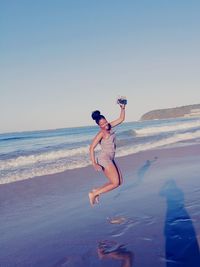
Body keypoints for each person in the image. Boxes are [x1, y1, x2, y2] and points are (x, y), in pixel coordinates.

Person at [89, 101, 126, 206]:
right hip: (104, 158)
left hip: (111, 158)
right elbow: (91, 148)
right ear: (99, 126)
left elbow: (121, 119)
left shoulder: (109, 126)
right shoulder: (101, 133)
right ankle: (94, 194)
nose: (105, 125)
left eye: (105, 122)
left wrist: (122, 108)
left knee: (120, 181)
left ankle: (96, 191)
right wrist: (94, 164)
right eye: (102, 124)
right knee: (115, 182)